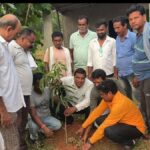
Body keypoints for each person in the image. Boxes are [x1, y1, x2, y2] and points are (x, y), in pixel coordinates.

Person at [77, 79, 146, 150]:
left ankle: (130, 142)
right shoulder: (108, 98)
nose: (101, 96)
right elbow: (96, 112)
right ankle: (122, 135)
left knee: (108, 131)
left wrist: (90, 142)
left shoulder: (120, 104)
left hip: (136, 128)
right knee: (98, 120)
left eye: (102, 94)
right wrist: (83, 126)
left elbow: (105, 125)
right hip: (123, 121)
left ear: (109, 93)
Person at [80, 69, 127, 143]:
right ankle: (112, 128)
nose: (96, 85)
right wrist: (86, 133)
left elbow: (125, 97)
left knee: (118, 120)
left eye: (98, 82)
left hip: (121, 107)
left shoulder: (115, 83)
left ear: (105, 80)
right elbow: (93, 112)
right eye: (94, 82)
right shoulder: (94, 91)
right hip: (107, 107)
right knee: (98, 121)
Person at [0, 14, 25, 150]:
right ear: (9, 29)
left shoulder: (4, 46)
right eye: (15, 33)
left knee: (11, 141)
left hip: (11, 106)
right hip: (6, 108)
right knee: (12, 145)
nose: (15, 37)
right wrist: (3, 111)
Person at [8, 28, 36, 150]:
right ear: (23, 38)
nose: (32, 45)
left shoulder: (24, 50)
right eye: (30, 42)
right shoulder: (12, 48)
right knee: (18, 121)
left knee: (23, 120)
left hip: (25, 93)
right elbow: (5, 69)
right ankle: (17, 146)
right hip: (17, 93)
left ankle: (22, 145)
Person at [126, 4, 150, 133]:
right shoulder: (138, 34)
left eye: (136, 17)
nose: (133, 21)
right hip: (141, 76)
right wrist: (136, 75)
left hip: (148, 77)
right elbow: (139, 57)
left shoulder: (148, 31)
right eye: (130, 19)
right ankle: (144, 127)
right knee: (144, 105)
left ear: (144, 17)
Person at [112, 16, 140, 102]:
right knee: (127, 98)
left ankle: (141, 115)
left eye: (118, 27)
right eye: (114, 28)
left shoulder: (134, 37)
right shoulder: (117, 38)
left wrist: (137, 75)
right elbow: (117, 55)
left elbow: (139, 56)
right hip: (121, 75)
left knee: (137, 98)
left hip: (132, 74)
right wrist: (116, 72)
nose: (116, 30)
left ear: (125, 26)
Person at [28, 73, 62, 142]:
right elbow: (33, 115)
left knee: (58, 125)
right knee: (33, 127)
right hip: (34, 118)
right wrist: (44, 127)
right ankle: (34, 138)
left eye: (42, 84)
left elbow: (57, 101)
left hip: (46, 117)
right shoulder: (31, 95)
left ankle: (42, 131)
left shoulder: (47, 89)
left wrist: (55, 89)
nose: (41, 87)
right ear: (33, 85)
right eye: (38, 85)